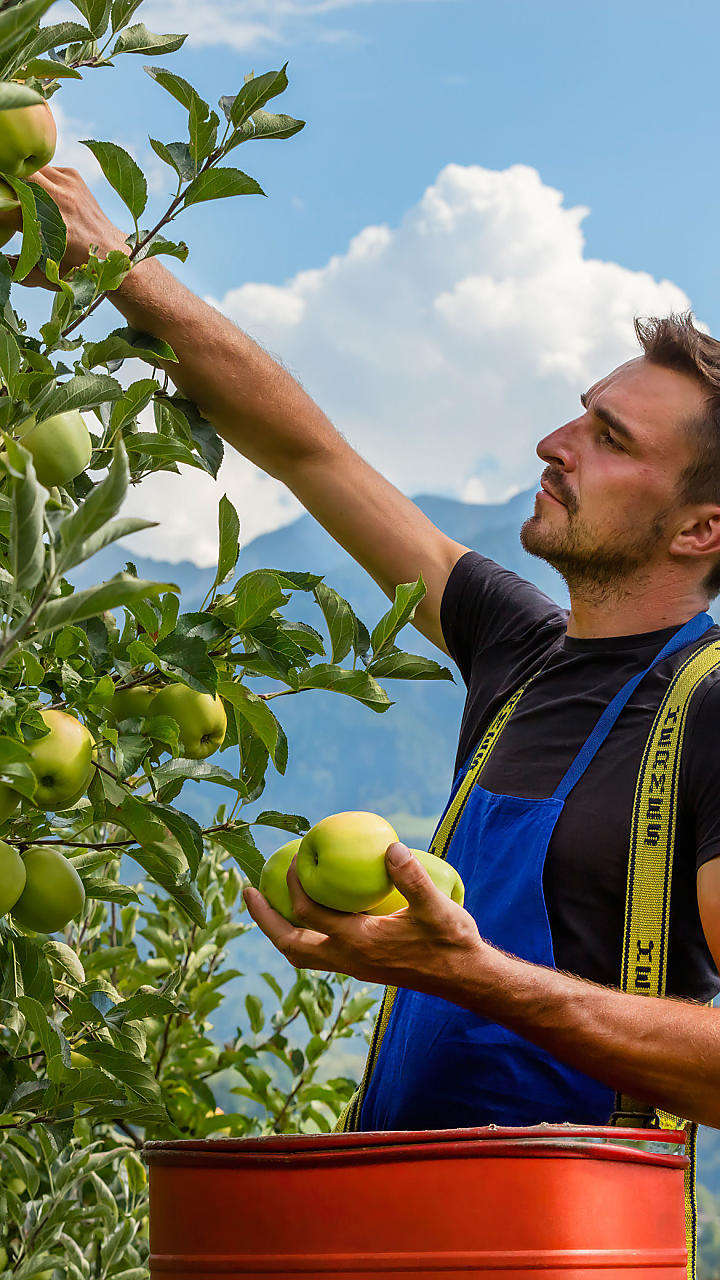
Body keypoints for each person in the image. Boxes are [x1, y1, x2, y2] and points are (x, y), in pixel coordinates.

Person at [20, 166, 720, 1135]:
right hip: (404, 1208)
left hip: (571, 1242)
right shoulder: (518, 649)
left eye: (608, 437)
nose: (552, 443)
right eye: (577, 412)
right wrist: (121, 269)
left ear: (700, 529)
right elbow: (311, 452)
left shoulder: (712, 708)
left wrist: (477, 977)